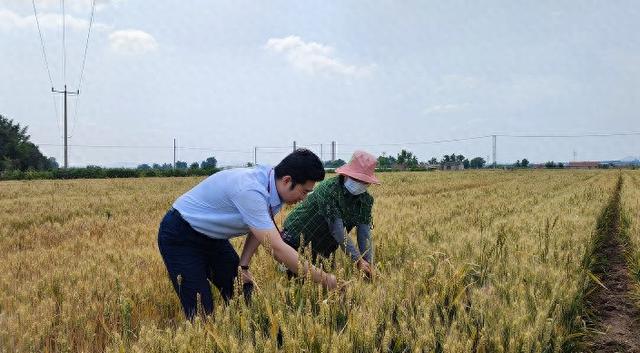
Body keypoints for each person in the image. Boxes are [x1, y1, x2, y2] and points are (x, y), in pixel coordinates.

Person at [157, 149, 337, 319]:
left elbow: (258, 228)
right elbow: (276, 248)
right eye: (304, 191)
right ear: (287, 180)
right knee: (201, 311)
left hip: (213, 239)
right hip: (180, 234)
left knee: (244, 293)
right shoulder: (251, 190)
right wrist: (325, 279)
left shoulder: (272, 183)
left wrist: (243, 266)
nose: (304, 198)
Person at [282, 151, 380, 278]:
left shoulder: (366, 201)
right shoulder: (329, 190)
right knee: (294, 282)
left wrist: (369, 263)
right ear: (346, 175)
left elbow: (364, 235)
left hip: (323, 250)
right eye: (356, 179)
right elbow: (337, 230)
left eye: (363, 181)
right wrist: (358, 260)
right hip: (295, 241)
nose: (359, 183)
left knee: (322, 288)